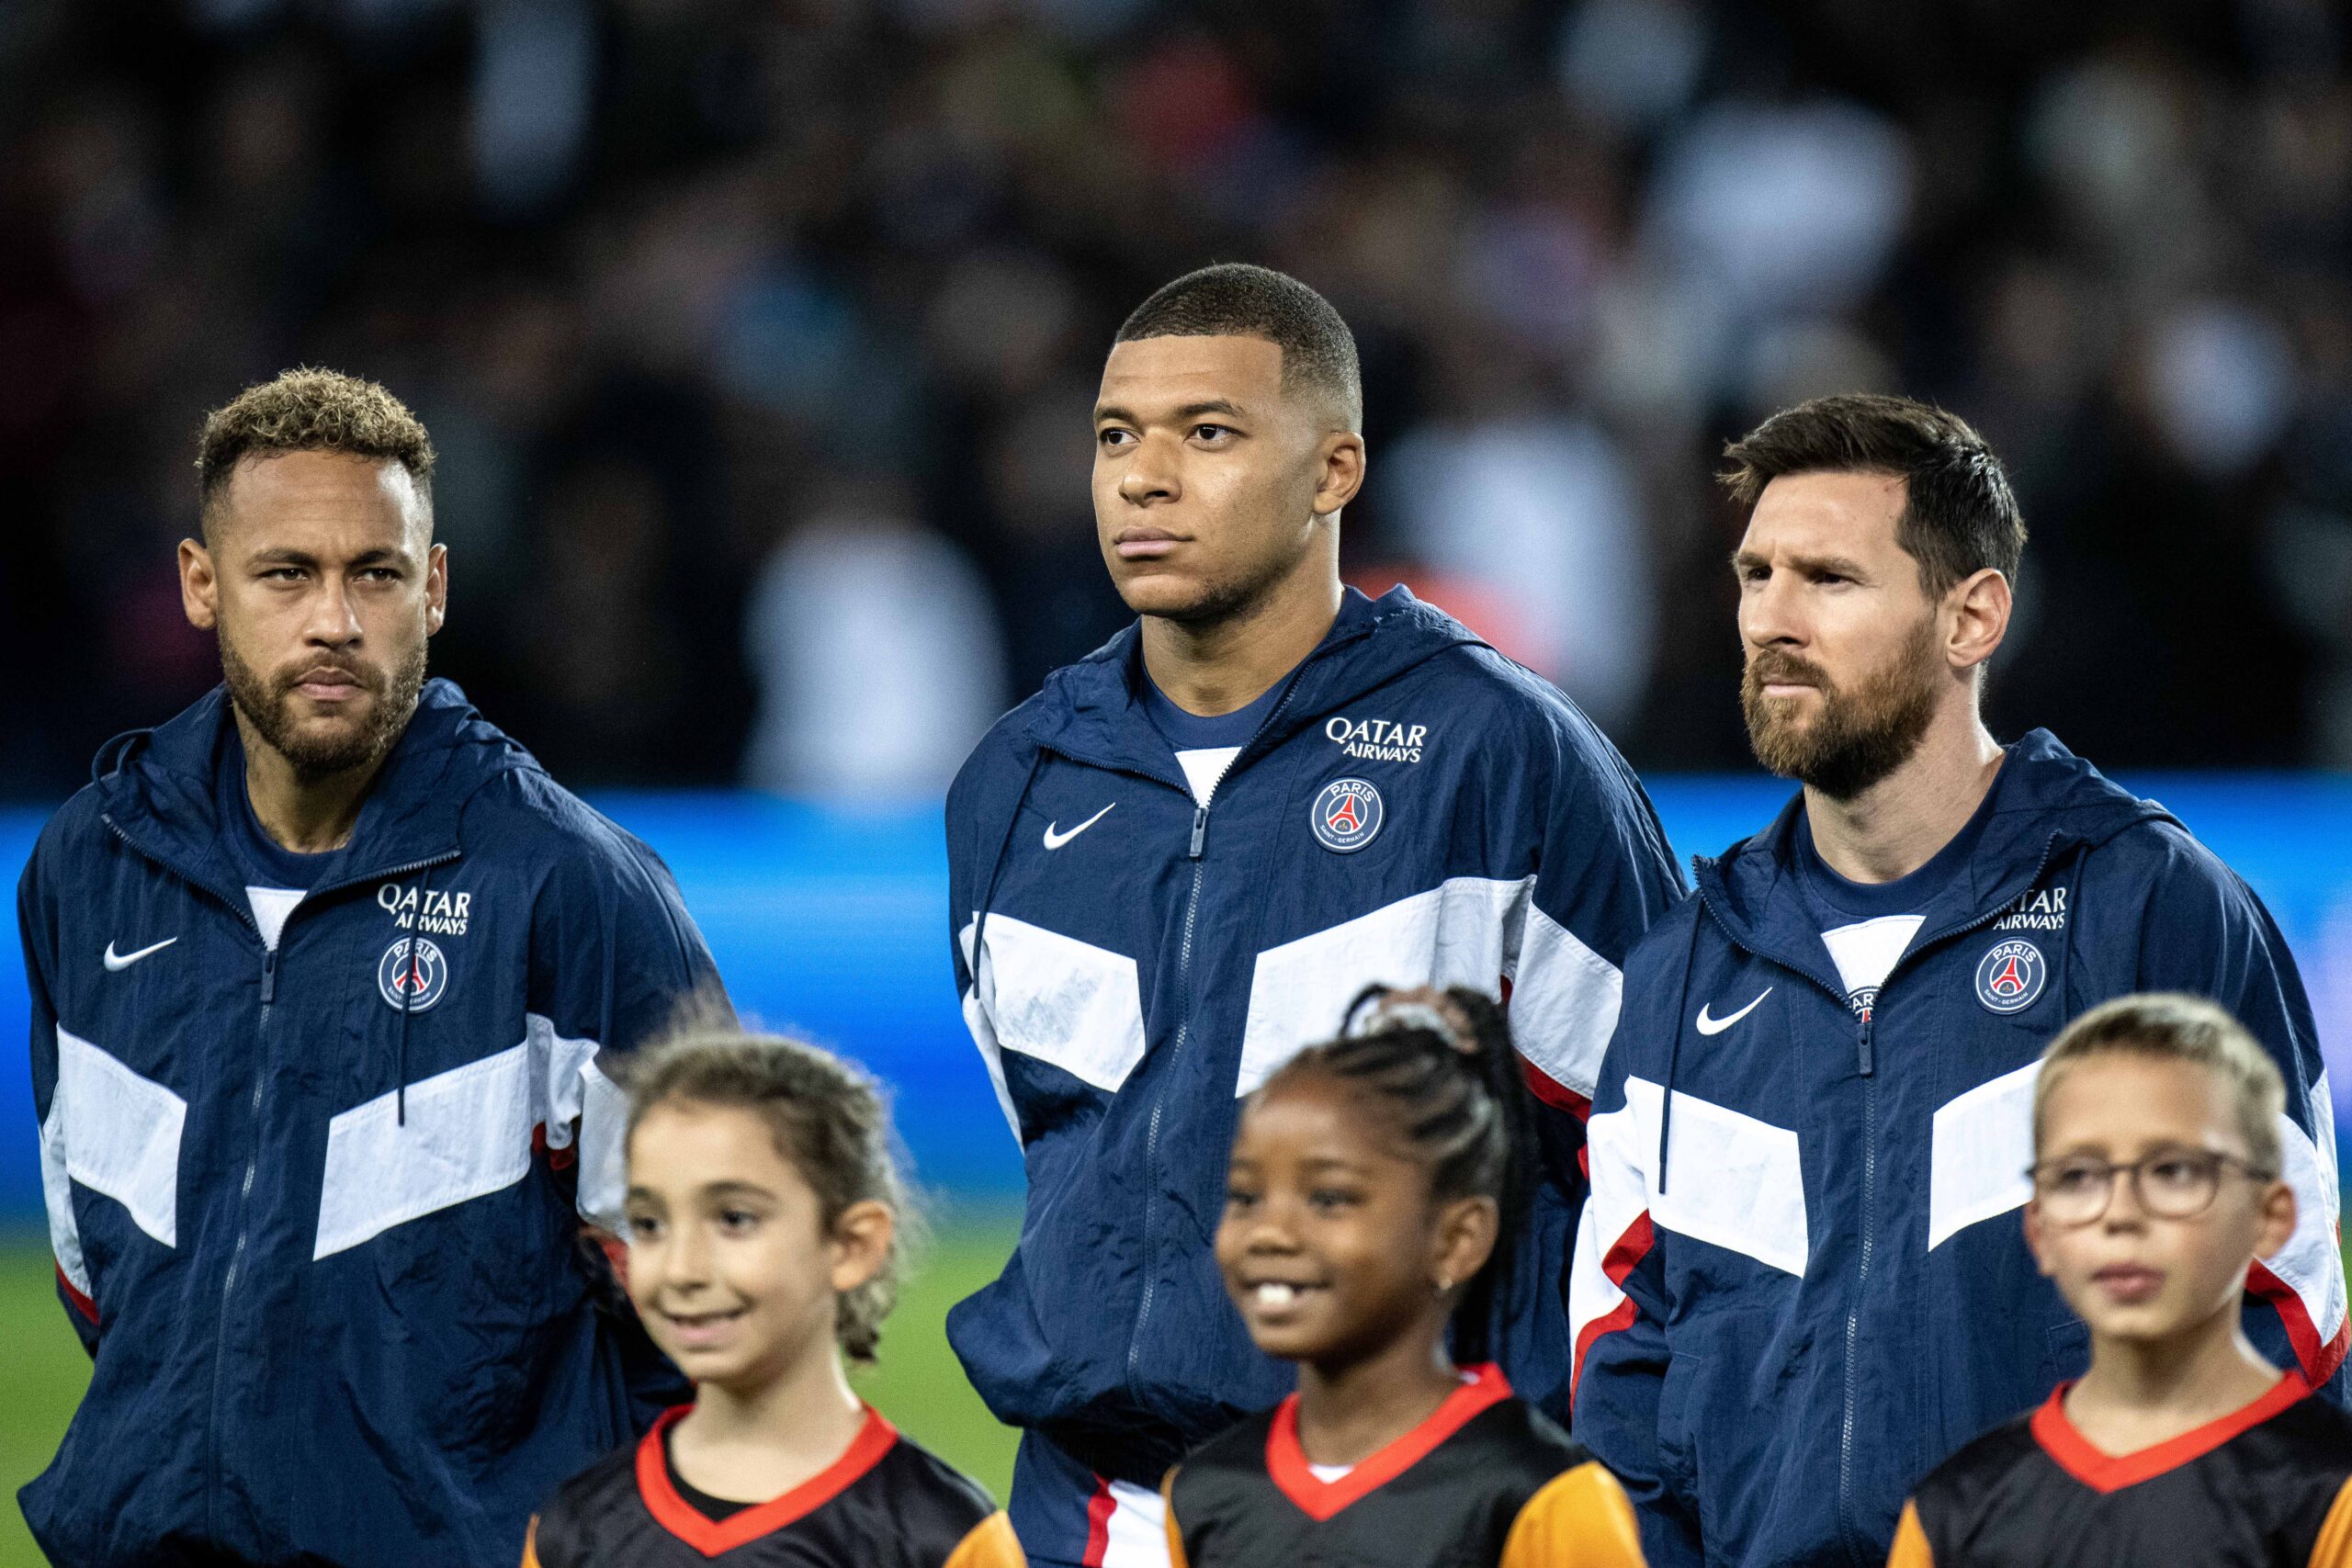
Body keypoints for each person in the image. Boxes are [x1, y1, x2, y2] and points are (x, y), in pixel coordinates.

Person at [944, 263, 1684, 1566]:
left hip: (1409, 1504)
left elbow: (1661, 1166)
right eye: (1117, 435)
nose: (1144, 476)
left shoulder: (1499, 753)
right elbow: (1065, 1144)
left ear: (1335, 469)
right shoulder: (1015, 778)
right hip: (1085, 1511)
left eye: (1209, 432)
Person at [1567, 393, 2347, 1568]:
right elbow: (1622, 1372)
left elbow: (2286, 1314)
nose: (1771, 618)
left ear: (1971, 615)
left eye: (1828, 579)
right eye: (1755, 573)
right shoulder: (1685, 963)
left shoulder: (2146, 907)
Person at [18, 369, 721, 1567]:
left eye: (375, 572)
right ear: (201, 583)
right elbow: (99, 1267)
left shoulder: (573, 888)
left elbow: (704, 1313)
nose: (333, 619)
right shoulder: (91, 863)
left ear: (433, 587)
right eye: (285, 572)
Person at [1164, 987, 1648, 1568]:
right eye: (1245, 1196)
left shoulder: (1540, 1497)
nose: (1270, 1232)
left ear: (1455, 1240)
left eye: (1328, 1198)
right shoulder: (1200, 1494)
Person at [525, 1012, 1024, 1568]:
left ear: (850, 1245)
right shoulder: (572, 1532)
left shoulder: (943, 1539)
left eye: (735, 1218)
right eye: (649, 1223)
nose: (682, 1269)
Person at [1889, 994, 2352, 1566]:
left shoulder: (2330, 1492)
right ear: (2040, 1229)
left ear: (2271, 1217)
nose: (2120, 1213)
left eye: (2174, 1171)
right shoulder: (1951, 1510)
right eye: (2079, 1176)